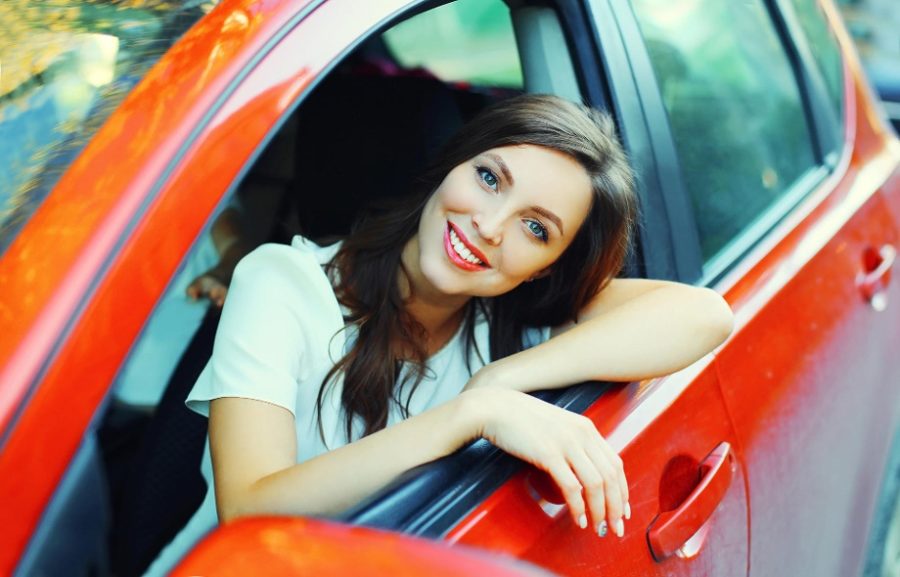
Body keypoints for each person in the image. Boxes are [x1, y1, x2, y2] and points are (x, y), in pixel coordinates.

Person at [145, 94, 734, 575]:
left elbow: (706, 315)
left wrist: (502, 379)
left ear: (548, 266)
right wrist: (469, 414)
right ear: (452, 164)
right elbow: (248, 507)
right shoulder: (282, 284)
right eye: (488, 178)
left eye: (535, 228)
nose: (489, 226)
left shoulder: (513, 328)